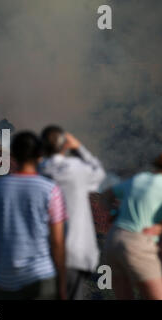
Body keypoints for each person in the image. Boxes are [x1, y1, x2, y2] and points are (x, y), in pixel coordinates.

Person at [0, 131, 68, 300]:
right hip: (42, 277)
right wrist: (62, 283)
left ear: (12, 154)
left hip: (5, 279)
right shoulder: (51, 190)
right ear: (39, 155)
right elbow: (57, 242)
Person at [102, 152, 162, 300]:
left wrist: (113, 212)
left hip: (113, 240)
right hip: (138, 243)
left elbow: (107, 195)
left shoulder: (140, 178)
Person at [39, 126, 106, 300]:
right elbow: (98, 172)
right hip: (78, 254)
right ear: (64, 147)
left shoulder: (38, 173)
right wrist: (78, 148)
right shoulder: (77, 169)